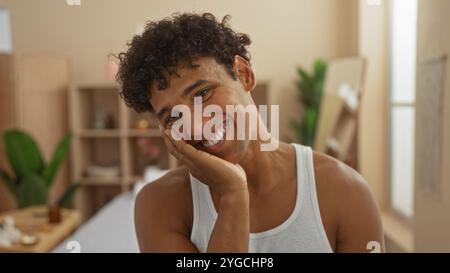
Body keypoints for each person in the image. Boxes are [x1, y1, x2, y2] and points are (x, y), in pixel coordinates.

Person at [116, 12, 384, 253]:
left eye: (203, 93)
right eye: (173, 117)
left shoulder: (345, 192)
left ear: (244, 74)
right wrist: (233, 194)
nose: (196, 126)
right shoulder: (160, 206)